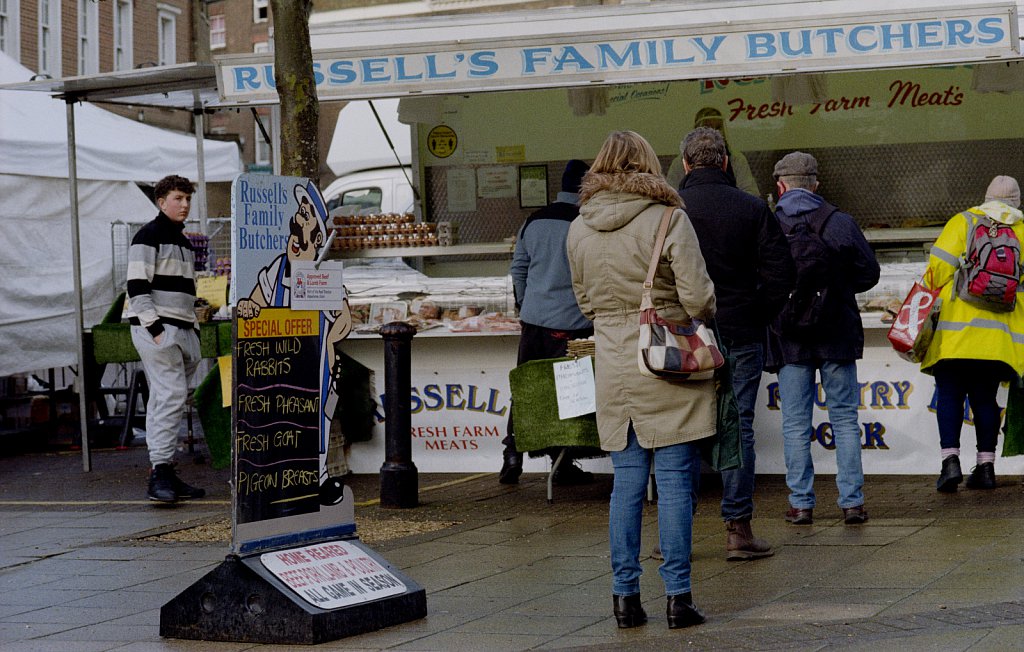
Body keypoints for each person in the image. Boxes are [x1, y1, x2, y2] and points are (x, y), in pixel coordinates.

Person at [567, 131, 716, 630]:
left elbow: (585, 302)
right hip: (666, 360)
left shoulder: (579, 228)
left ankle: (624, 598)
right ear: (648, 166)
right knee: (674, 482)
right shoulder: (669, 218)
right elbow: (698, 297)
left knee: (625, 483)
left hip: (612, 362)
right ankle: (678, 597)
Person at [678, 127, 795, 560]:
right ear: (725, 162)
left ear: (687, 164)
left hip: (686, 334)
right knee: (739, 427)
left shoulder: (670, 210)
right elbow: (782, 274)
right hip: (742, 330)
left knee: (683, 429)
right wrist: (755, 312)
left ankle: (678, 530)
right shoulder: (752, 208)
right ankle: (738, 529)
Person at [765, 152, 880, 526]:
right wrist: (837, 289)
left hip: (790, 337)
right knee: (845, 419)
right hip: (836, 333)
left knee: (795, 423)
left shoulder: (769, 224)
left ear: (780, 186)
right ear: (815, 184)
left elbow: (759, 280)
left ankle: (801, 504)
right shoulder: (839, 222)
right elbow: (869, 274)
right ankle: (852, 503)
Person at [236, 181, 354, 504]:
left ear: (318, 240)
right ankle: (279, 478)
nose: (294, 242)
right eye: (292, 236)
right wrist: (248, 308)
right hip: (281, 362)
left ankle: (319, 478)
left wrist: (329, 340)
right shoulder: (277, 270)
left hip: (316, 366)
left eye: (304, 223)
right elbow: (255, 302)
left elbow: (344, 317)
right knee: (282, 422)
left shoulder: (322, 274)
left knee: (318, 419)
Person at [921, 175, 1024, 492]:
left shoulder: (963, 221)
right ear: (1017, 202)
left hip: (956, 334)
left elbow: (936, 271)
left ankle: (950, 463)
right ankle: (986, 467)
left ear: (987, 197)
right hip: (999, 340)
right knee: (985, 399)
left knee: (950, 395)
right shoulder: (1022, 231)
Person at [501, 160, 595, 486]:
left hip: (534, 322)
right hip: (574, 322)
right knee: (568, 394)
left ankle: (511, 454)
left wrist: (525, 304)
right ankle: (563, 462)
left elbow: (518, 270)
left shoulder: (534, 220)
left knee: (528, 388)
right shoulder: (587, 222)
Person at [126, 175, 206, 504]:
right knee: (170, 396)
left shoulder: (183, 242)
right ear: (161, 202)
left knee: (166, 398)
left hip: (180, 327)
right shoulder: (148, 235)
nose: (184, 205)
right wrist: (155, 328)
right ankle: (159, 469)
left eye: (187, 199)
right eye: (178, 198)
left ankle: (164, 469)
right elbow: (136, 285)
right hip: (162, 328)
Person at [666, 107, 760, 197]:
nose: (714, 133)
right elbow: (671, 196)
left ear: (725, 162)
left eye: (718, 127)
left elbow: (752, 194)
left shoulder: (736, 159)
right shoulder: (679, 163)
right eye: (708, 127)